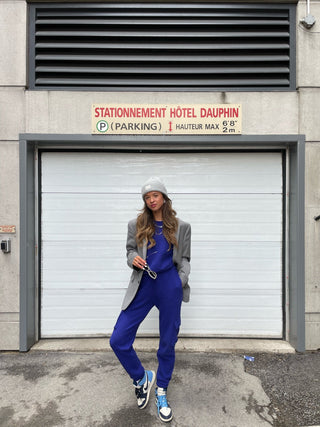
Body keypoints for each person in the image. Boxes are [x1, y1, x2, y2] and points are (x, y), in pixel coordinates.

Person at [110, 177, 191, 423]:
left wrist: (180, 281)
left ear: (164, 197)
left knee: (167, 342)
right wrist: (132, 258)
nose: (151, 200)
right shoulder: (136, 224)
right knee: (118, 339)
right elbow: (129, 251)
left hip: (169, 285)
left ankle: (162, 391)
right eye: (147, 197)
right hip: (143, 284)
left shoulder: (182, 226)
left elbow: (185, 258)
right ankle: (142, 377)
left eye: (155, 195)